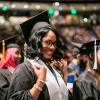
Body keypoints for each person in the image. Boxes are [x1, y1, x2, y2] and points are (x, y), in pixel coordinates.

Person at [7, 11, 68, 100]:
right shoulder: (24, 69)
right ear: (36, 42)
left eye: (54, 43)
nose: (52, 47)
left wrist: (64, 74)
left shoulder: (52, 68)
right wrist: (40, 82)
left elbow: (61, 95)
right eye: (48, 42)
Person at [0, 35, 21, 100]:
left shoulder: (21, 70)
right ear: (8, 54)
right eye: (17, 53)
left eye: (20, 53)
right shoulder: (1, 73)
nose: (20, 56)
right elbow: (5, 96)